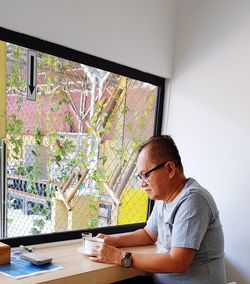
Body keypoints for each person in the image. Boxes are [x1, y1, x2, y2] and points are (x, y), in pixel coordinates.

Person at [89, 135, 226, 284]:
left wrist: (118, 257)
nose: (142, 184)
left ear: (169, 169)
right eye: (140, 177)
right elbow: (148, 234)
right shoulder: (164, 198)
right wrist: (114, 241)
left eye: (145, 175)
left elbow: (178, 262)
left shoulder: (193, 200)